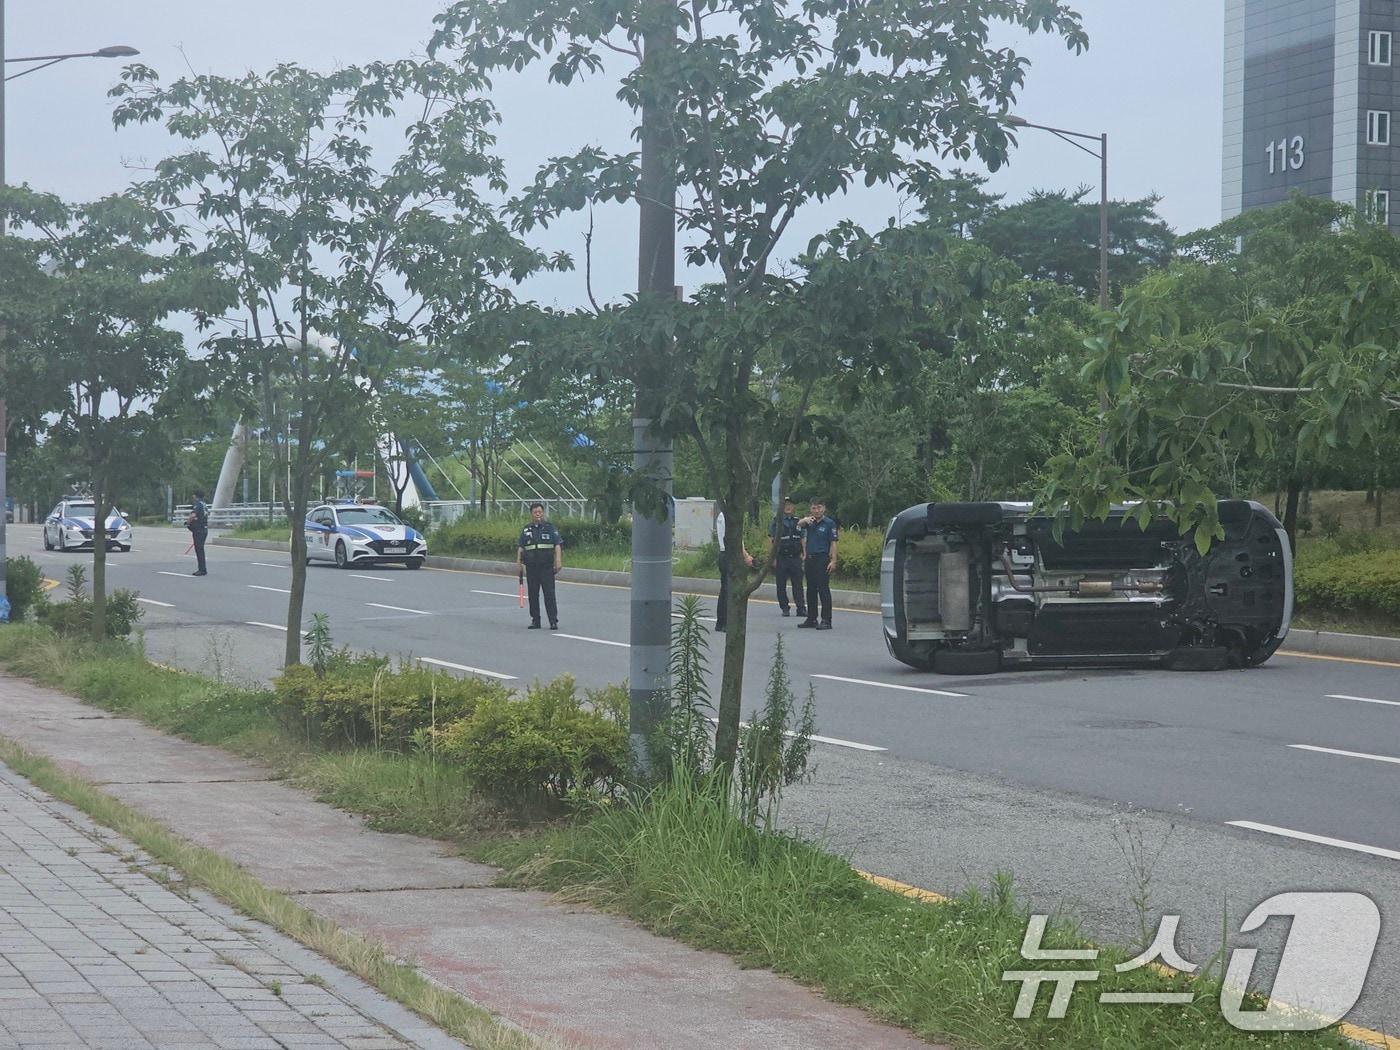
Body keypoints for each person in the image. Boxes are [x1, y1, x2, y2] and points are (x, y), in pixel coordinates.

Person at [516, 502, 563, 630]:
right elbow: (521, 547)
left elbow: (557, 545)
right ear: (531, 514)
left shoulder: (550, 528)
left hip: (546, 568)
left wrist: (558, 560)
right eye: (535, 512)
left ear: (543, 513)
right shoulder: (526, 530)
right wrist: (519, 563)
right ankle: (535, 620)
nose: (538, 514)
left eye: (540, 512)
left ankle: (553, 621)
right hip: (532, 568)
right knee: (533, 595)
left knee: (549, 595)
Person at [797, 498, 839, 630]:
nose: (817, 510)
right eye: (814, 508)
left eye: (819, 507)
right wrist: (803, 520)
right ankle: (811, 618)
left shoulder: (829, 523)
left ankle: (826, 620)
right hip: (810, 558)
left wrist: (833, 560)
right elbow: (797, 526)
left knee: (823, 590)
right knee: (810, 590)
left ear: (824, 508)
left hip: (822, 559)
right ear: (811, 509)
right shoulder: (809, 522)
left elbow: (833, 543)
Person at [713, 505, 753, 633]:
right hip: (730, 553)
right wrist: (746, 556)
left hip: (723, 553)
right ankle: (726, 622)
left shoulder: (721, 515)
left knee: (724, 589)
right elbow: (734, 539)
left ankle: (721, 622)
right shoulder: (729, 516)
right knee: (729, 590)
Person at [769, 496, 806, 619]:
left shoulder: (798, 521)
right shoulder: (777, 521)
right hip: (781, 557)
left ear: (793, 507)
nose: (788, 507)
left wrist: (804, 553)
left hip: (795, 557)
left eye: (790, 504)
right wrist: (773, 558)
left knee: (798, 584)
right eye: (785, 505)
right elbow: (772, 540)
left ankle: (801, 608)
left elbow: (802, 538)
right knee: (781, 585)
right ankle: (785, 608)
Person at [186, 490, 209, 576]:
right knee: (200, 549)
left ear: (195, 496)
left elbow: (193, 515)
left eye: (193, 496)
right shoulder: (204, 504)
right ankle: (202, 568)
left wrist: (188, 522)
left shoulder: (198, 504)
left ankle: (202, 569)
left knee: (199, 550)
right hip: (204, 529)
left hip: (199, 530)